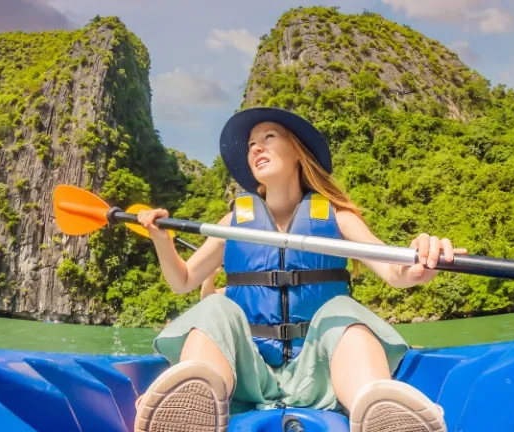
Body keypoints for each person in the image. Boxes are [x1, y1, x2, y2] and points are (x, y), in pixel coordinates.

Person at [133, 107, 465, 432]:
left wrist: (421, 259)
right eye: (251, 145)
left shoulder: (337, 217)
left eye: (269, 137)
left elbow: (396, 272)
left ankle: (379, 411)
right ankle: (192, 408)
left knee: (342, 311)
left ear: (297, 151)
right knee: (214, 307)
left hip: (320, 374)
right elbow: (183, 281)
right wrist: (161, 239)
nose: (256, 148)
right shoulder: (231, 223)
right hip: (251, 373)